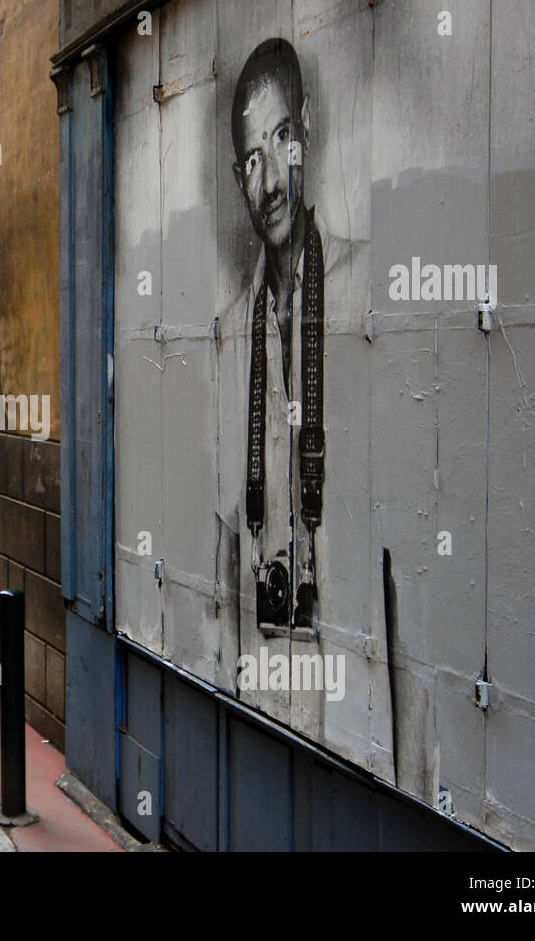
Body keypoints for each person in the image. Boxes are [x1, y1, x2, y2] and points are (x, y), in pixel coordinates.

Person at [215, 37, 368, 633]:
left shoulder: (363, 291)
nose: (271, 182)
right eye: (252, 160)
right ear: (238, 178)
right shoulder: (231, 331)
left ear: (308, 128)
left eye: (281, 138)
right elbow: (226, 546)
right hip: (259, 660)